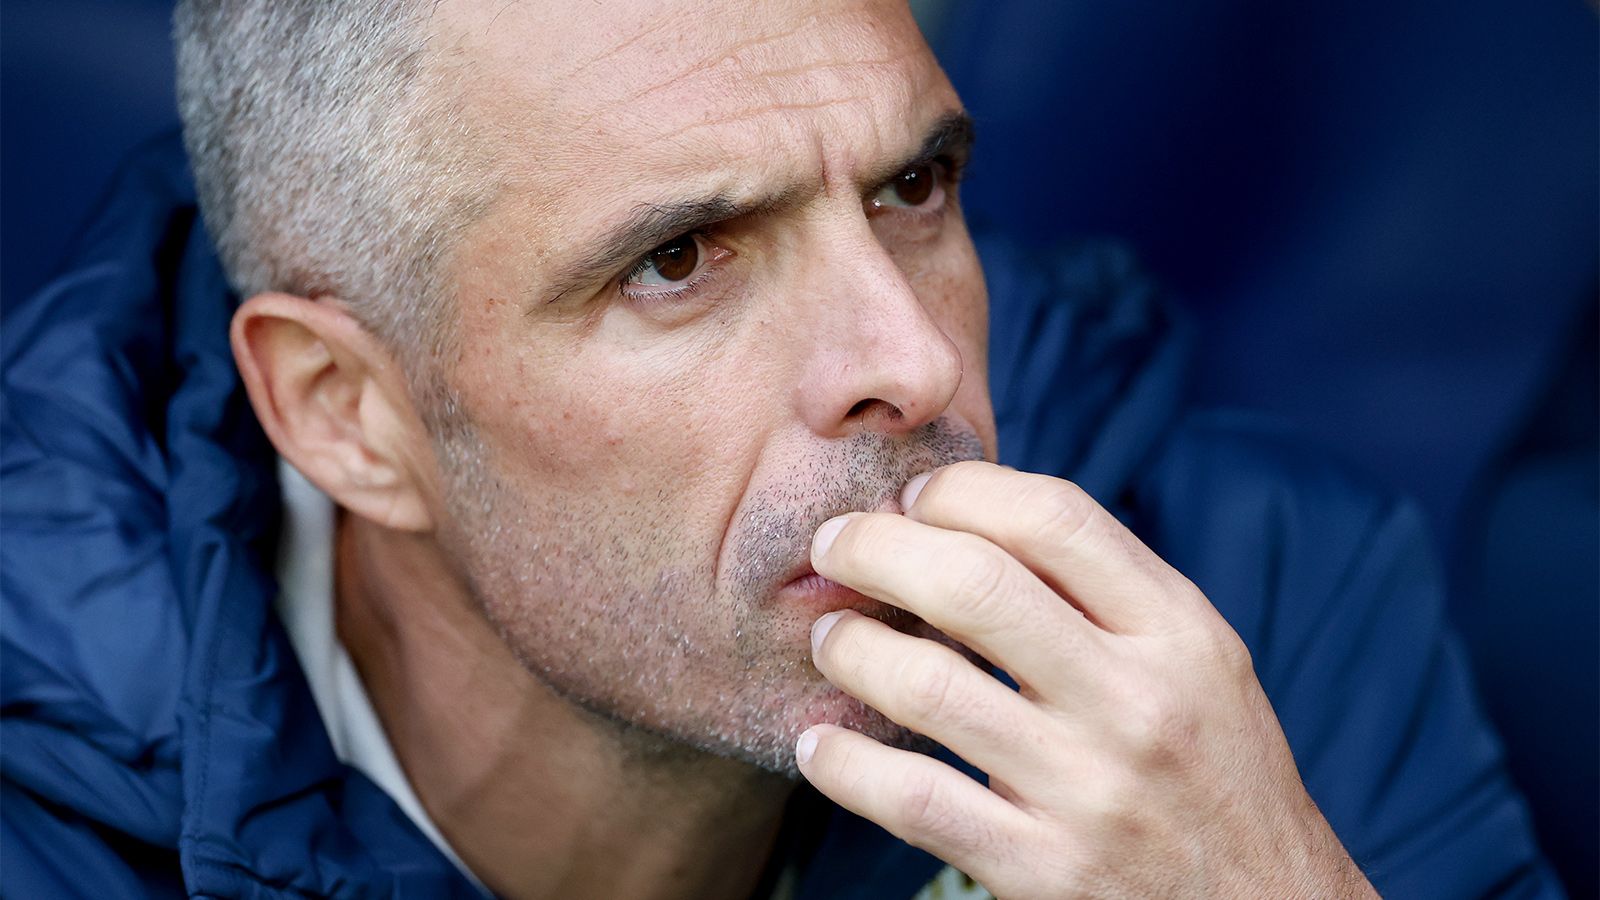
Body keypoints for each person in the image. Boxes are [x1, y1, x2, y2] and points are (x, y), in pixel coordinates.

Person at [0, 1, 1560, 897]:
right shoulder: (47, 808)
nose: (913, 361)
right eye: (677, 260)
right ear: (347, 412)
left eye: (912, 189)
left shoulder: (1243, 608)